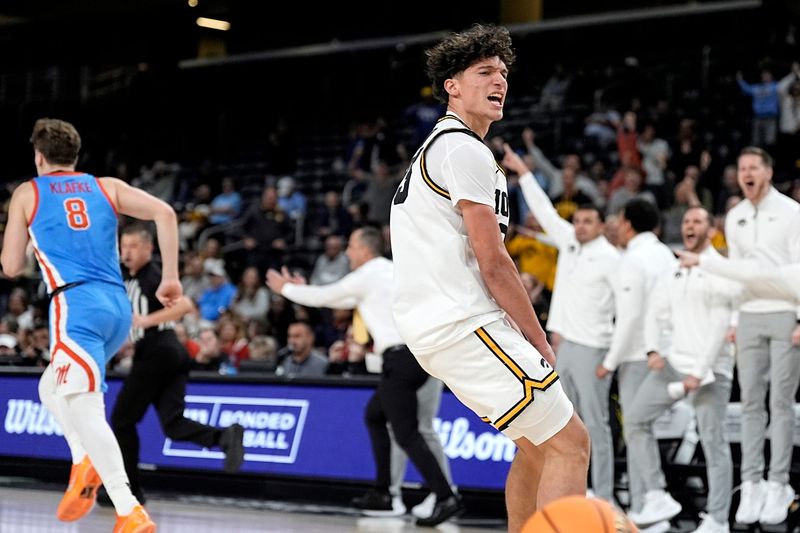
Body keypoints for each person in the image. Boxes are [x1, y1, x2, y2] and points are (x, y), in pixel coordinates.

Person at [389, 25, 589, 532]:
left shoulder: (446, 149)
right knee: (572, 444)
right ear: (452, 85)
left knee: (539, 446)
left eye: (503, 73)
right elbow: (493, 260)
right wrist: (536, 336)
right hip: (464, 321)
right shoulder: (463, 149)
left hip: (441, 326)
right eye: (484, 72)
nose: (499, 81)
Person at [0, 118, 174, 531]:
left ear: (39, 157)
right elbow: (165, 213)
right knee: (50, 387)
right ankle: (83, 463)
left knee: (85, 405)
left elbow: (10, 266)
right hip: (117, 308)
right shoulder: (106, 186)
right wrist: (171, 277)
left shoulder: (28, 192)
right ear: (75, 156)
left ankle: (128, 506)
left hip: (75, 304)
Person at [267, 227, 456, 524]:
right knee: (376, 415)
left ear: (365, 250)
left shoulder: (367, 274)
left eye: (351, 246)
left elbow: (326, 296)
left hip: (401, 357)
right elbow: (337, 298)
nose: (347, 252)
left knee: (408, 432)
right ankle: (384, 493)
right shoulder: (390, 272)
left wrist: (286, 290)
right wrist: (304, 289)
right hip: (421, 353)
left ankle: (445, 496)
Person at [507, 150, 620, 503]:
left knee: (596, 426)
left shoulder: (613, 259)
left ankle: (603, 496)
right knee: (564, 425)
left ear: (601, 225)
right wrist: (525, 172)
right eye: (579, 221)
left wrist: (612, 355)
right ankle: (572, 497)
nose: (581, 226)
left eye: (588, 221)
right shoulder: (570, 242)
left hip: (593, 347)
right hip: (564, 346)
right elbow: (543, 209)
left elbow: (626, 311)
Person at [111, 223, 245, 504]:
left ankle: (129, 490)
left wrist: (146, 321)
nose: (127, 252)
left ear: (149, 248)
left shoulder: (152, 276)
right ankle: (223, 437)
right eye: (124, 246)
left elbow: (184, 306)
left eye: (134, 246)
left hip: (157, 350)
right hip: (171, 352)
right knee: (172, 424)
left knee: (122, 420)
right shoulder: (129, 276)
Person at [627, 207, 739, 533]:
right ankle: (657, 494)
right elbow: (654, 312)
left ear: (711, 230)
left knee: (713, 441)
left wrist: (699, 372)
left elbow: (721, 326)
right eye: (687, 221)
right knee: (635, 419)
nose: (690, 226)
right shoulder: (674, 269)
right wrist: (652, 350)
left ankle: (717, 518)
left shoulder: (722, 269)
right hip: (674, 364)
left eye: (698, 221)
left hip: (712, 371)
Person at [715, 147, 800, 525]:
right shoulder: (734, 217)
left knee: (781, 404)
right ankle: (751, 482)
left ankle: (778, 482)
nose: (746, 173)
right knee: (751, 403)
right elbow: (735, 272)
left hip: (784, 314)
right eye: (741, 169)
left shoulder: (792, 213)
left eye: (753, 168)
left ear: (768, 172)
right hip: (748, 315)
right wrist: (734, 317)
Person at [595, 198, 676, 524]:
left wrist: (610, 362)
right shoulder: (666, 254)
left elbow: (629, 318)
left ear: (628, 224)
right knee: (643, 430)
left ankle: (652, 505)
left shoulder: (633, 259)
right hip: (666, 350)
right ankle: (649, 509)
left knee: (637, 429)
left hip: (639, 354)